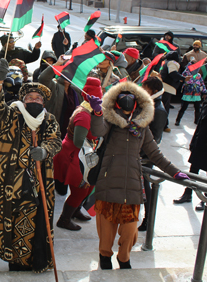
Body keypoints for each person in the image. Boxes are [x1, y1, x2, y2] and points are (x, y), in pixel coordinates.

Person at [87, 81, 189, 270]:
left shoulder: (142, 128)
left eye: (131, 97)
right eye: (122, 96)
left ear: (138, 102)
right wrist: (97, 112)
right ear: (116, 101)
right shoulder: (110, 121)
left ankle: (124, 258)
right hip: (108, 180)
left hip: (132, 184)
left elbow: (155, 154)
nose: (126, 100)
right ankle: (105, 256)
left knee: (130, 230)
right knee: (106, 226)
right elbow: (97, 131)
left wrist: (175, 171)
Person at [0, 59, 62, 272]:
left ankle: (36, 260)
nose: (34, 100)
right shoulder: (11, 115)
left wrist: (45, 150)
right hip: (11, 182)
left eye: (38, 98)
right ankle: (15, 261)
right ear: (23, 100)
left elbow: (55, 141)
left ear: (44, 103)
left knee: (37, 222)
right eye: (29, 98)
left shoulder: (50, 119)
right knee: (13, 220)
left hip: (39, 181)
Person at [53, 78, 103, 231]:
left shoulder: (90, 110)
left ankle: (75, 211)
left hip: (82, 155)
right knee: (80, 190)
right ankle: (64, 219)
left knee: (88, 188)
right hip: (75, 156)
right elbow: (79, 141)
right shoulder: (84, 115)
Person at [139, 77, 168, 231]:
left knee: (146, 187)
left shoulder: (159, 110)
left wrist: (140, 155)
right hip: (139, 154)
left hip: (144, 157)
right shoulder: (150, 105)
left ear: (154, 91)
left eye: (146, 89)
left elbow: (154, 138)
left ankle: (148, 218)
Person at [174, 97, 207, 211]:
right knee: (193, 170)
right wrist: (193, 142)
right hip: (201, 142)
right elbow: (200, 125)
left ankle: (205, 199)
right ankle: (187, 194)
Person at [161, 51, 191, 132]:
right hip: (168, 87)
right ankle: (164, 125)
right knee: (165, 107)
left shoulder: (165, 62)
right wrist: (183, 78)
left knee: (163, 106)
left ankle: (163, 124)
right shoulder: (172, 62)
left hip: (163, 86)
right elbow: (173, 73)